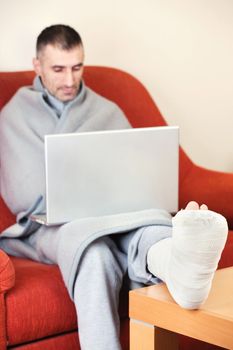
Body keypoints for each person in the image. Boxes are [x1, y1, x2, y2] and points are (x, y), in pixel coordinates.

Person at [0, 24, 228, 350]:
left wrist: (121, 192)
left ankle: (177, 260)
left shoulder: (104, 109)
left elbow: (134, 172)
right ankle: (168, 258)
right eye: (58, 69)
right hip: (48, 225)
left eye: (77, 67)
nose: (69, 80)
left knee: (130, 232)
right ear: (37, 65)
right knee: (93, 248)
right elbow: (23, 193)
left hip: (115, 211)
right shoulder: (14, 115)